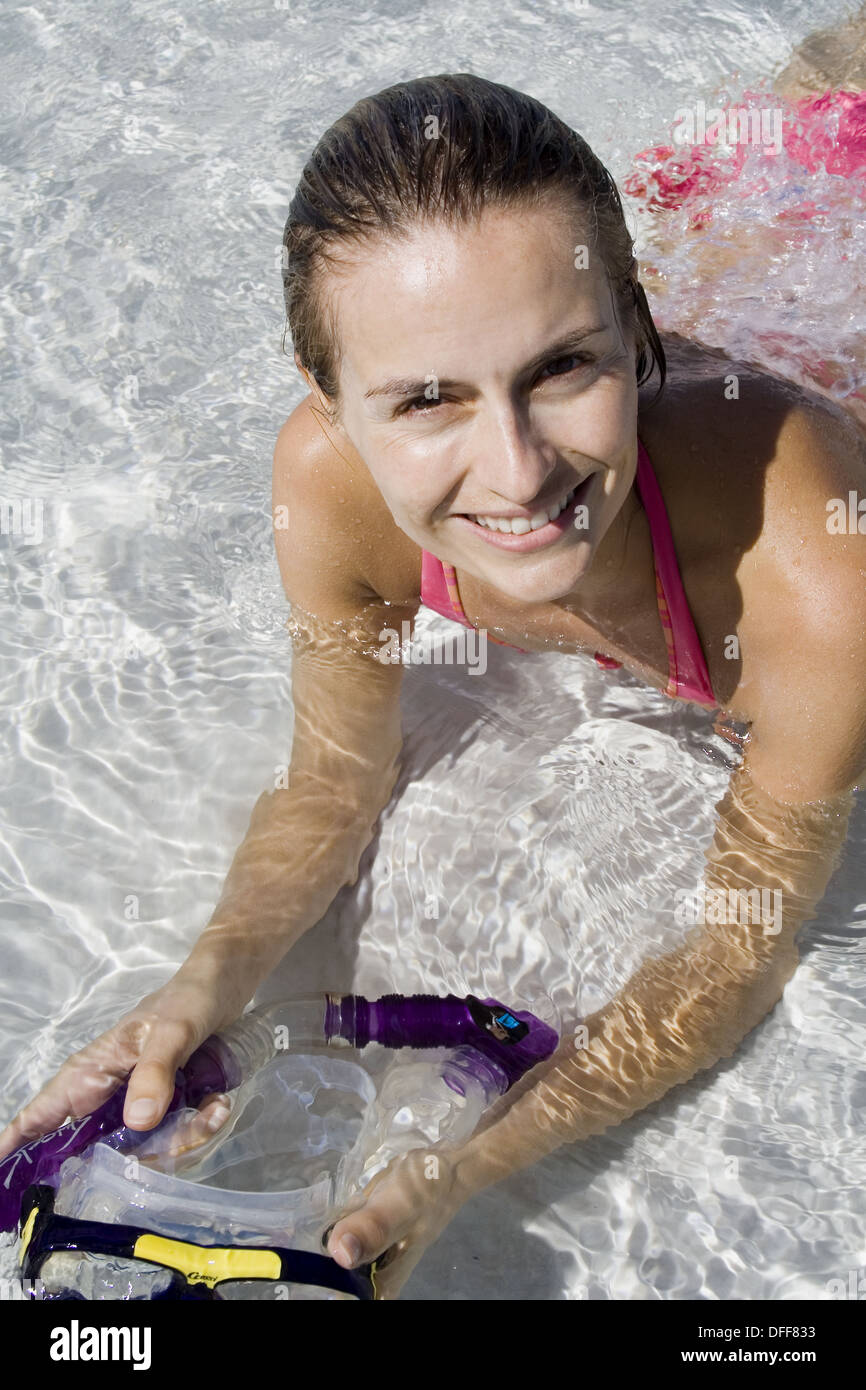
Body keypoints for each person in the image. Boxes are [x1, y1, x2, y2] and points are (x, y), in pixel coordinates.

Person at [2, 62, 865, 1301]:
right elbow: (332, 786)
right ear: (331, 407)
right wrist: (198, 985)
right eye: (423, 398)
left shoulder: (812, 568)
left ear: (637, 327)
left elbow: (739, 945)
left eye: (566, 367)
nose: (514, 472)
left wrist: (471, 1161)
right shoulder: (330, 486)